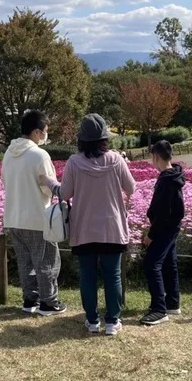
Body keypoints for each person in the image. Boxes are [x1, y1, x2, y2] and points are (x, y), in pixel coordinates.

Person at [43, 113, 136, 336]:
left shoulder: (74, 162)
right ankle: (113, 321)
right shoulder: (116, 159)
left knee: (87, 276)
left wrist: (50, 183)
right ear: (104, 138)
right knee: (112, 275)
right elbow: (131, 188)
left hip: (83, 228)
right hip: (112, 228)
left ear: (81, 140)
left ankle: (92, 320)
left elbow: (65, 193)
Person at [1, 110, 66, 316]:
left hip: (13, 216)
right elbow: (48, 187)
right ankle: (49, 302)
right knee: (46, 260)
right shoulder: (40, 155)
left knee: (25, 262)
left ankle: (30, 300)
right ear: (37, 132)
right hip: (38, 217)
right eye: (45, 131)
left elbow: (4, 181)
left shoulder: (9, 153)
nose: (46, 135)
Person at [140, 140, 185, 326]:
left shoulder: (166, 181)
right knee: (169, 263)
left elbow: (162, 212)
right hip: (172, 228)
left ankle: (159, 309)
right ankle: (172, 302)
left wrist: (151, 234)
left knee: (152, 264)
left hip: (164, 229)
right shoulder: (174, 175)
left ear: (156, 157)